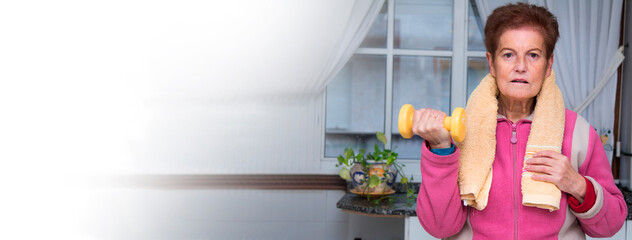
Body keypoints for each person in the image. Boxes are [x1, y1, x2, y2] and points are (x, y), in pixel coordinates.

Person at [413, 3, 627, 239]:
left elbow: (611, 225)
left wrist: (577, 185)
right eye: (508, 55)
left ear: (548, 65)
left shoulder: (579, 132)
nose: (521, 67)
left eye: (533, 55)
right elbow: (439, 228)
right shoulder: (460, 132)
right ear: (492, 63)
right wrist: (441, 151)